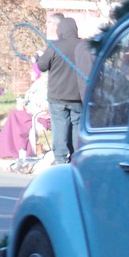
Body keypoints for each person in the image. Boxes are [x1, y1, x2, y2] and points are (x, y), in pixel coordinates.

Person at [37, 16, 84, 164]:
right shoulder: (83, 46)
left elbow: (42, 66)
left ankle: (60, 158)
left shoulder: (55, 46)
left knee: (60, 126)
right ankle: (77, 157)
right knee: (77, 125)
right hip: (78, 95)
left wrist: (38, 58)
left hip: (57, 95)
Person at [0, 64, 50, 159]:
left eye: (33, 71)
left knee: (16, 116)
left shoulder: (43, 83)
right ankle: (14, 149)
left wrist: (26, 107)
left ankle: (17, 149)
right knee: (15, 114)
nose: (30, 73)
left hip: (40, 115)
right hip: (33, 112)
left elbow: (41, 103)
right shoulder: (39, 82)